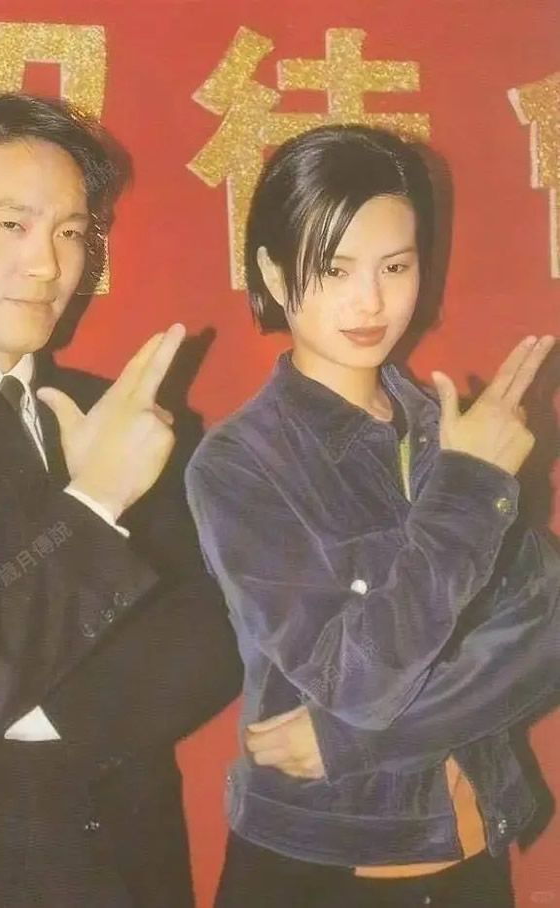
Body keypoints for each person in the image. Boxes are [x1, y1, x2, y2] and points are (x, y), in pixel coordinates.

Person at [0, 91, 243, 908]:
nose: (49, 265)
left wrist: (43, 711)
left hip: (132, 872)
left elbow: (216, 635)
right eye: (12, 225)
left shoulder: (126, 414)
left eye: (71, 232)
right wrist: (95, 499)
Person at [185, 124, 559, 908]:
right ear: (273, 272)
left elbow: (546, 638)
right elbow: (357, 680)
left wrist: (341, 740)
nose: (372, 300)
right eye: (334, 268)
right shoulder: (241, 463)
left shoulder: (449, 429)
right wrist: (470, 489)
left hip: (469, 842)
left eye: (396, 265)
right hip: (322, 862)